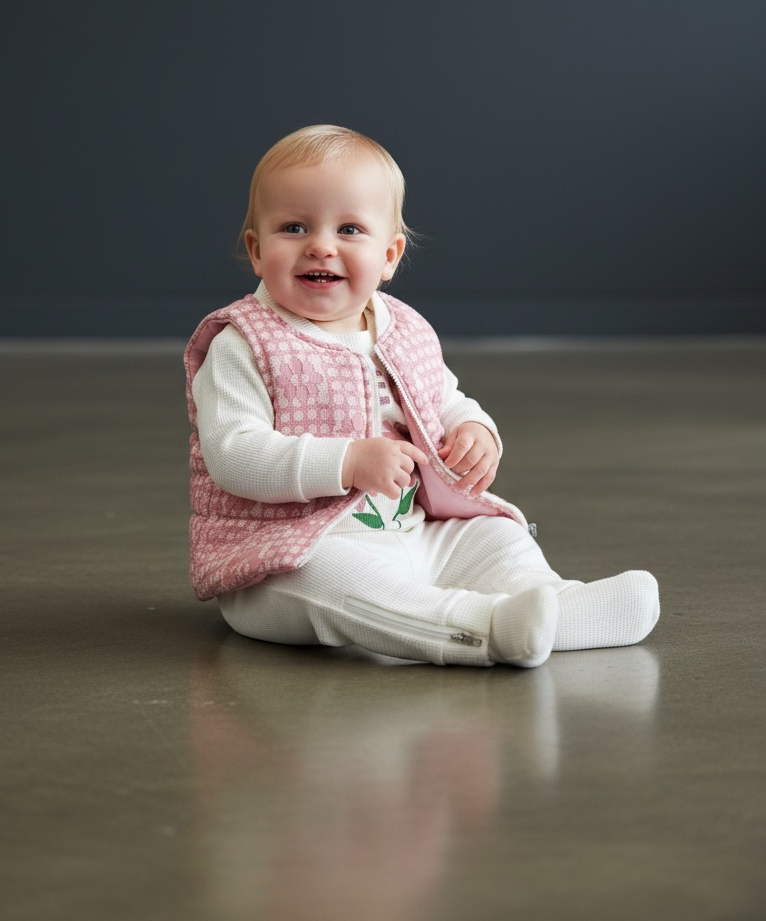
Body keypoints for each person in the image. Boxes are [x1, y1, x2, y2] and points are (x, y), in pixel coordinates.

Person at [184, 124, 659, 668]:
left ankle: (556, 605)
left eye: (349, 229)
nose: (321, 245)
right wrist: (346, 462)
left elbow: (443, 396)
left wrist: (474, 430)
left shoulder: (402, 329)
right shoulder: (245, 344)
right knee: (339, 584)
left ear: (389, 255)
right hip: (290, 552)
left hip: (414, 529)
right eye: (294, 227)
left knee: (489, 536)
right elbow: (234, 454)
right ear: (256, 249)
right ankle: (482, 629)